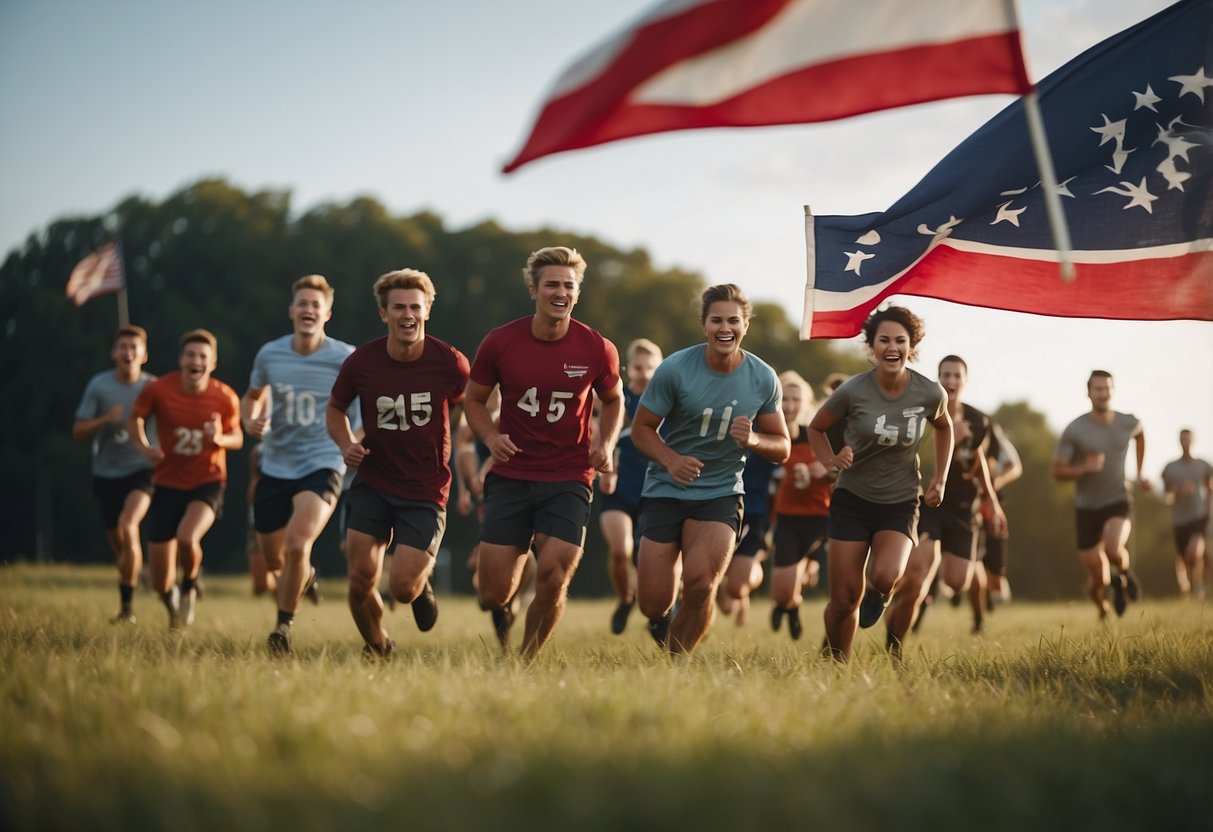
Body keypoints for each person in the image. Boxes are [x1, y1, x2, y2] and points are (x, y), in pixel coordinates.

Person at [465, 245, 623, 661]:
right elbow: (474, 401)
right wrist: (490, 438)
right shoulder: (500, 342)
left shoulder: (597, 347)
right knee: (491, 593)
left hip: (569, 475)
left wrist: (604, 443)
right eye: (551, 284)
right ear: (533, 290)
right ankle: (509, 588)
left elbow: (614, 399)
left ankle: (525, 662)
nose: (560, 291)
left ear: (577, 293)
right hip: (511, 475)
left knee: (556, 573)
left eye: (568, 285)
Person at [634, 284, 790, 656]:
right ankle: (661, 621)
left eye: (733, 320)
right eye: (716, 320)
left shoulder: (763, 377)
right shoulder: (675, 369)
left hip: (721, 492)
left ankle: (675, 666)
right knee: (653, 603)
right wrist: (671, 460)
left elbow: (781, 445)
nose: (725, 328)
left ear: (745, 325)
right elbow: (641, 430)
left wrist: (753, 441)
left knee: (702, 585)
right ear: (704, 325)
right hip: (665, 489)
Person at [326, 268, 470, 659]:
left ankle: (421, 586)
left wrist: (469, 435)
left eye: (415, 308)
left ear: (427, 312)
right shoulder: (362, 362)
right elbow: (335, 409)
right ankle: (379, 647)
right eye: (399, 308)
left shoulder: (450, 363)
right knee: (359, 579)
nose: (408, 315)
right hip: (373, 479)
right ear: (383, 313)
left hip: (425, 486)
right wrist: (345, 443)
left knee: (402, 587)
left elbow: (474, 400)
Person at [808, 305, 951, 662]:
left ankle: (879, 594)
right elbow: (816, 427)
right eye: (883, 340)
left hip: (900, 500)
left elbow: (944, 427)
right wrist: (829, 461)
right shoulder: (853, 390)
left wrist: (940, 478)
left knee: (886, 575)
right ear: (871, 347)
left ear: (911, 346)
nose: (891, 347)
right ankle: (836, 661)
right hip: (852, 499)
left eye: (899, 341)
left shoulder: (930, 393)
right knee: (843, 600)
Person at [242, 274, 356, 655]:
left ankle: (283, 629)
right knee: (276, 560)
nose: (308, 309)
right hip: (275, 464)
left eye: (315, 304)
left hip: (322, 462)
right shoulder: (270, 354)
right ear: (291, 311)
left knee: (296, 544)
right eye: (302, 303)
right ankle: (305, 578)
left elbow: (369, 408)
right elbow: (253, 397)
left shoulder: (345, 357)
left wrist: (353, 441)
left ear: (328, 313)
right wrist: (250, 419)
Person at [884, 356, 1006, 656]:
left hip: (963, 509)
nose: (950, 381)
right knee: (915, 578)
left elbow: (978, 464)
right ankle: (895, 638)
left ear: (965, 381)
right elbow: (916, 456)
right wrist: (951, 438)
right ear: (938, 379)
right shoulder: (924, 414)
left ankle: (927, 571)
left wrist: (991, 500)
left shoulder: (979, 421)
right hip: (928, 502)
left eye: (956, 376)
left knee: (957, 581)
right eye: (945, 375)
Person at [129, 329, 243, 629]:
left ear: (213, 362)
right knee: (157, 580)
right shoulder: (159, 389)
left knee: (187, 537)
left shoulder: (224, 395)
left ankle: (191, 584)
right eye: (191, 355)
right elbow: (136, 417)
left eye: (203, 356)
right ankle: (172, 601)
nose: (196, 361)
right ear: (181, 359)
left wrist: (219, 438)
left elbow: (238, 438)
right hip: (167, 482)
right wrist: (144, 447)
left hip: (207, 480)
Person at [72, 325, 156, 624]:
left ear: (144, 355)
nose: (128, 352)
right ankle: (141, 574)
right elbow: (78, 431)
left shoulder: (153, 388)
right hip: (106, 473)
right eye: (123, 347)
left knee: (128, 524)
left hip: (142, 470)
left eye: (134, 347)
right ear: (114, 353)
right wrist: (105, 420)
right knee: (119, 544)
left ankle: (127, 611)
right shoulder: (99, 386)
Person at [1053, 370, 1148, 620]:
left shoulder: (1127, 422)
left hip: (1118, 499)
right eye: (1098, 389)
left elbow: (1140, 435)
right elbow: (1058, 470)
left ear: (1113, 391)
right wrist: (1083, 467)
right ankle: (1103, 607)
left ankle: (1125, 576)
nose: (1103, 394)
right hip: (1086, 507)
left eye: (1107, 388)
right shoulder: (1075, 429)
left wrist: (1140, 471)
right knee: (1098, 578)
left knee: (1113, 548)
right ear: (1088, 392)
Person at [597, 338, 663, 635]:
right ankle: (625, 598)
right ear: (628, 368)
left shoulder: (667, 403)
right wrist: (606, 468)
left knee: (651, 564)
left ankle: (659, 613)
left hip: (656, 493)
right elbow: (602, 437)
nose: (645, 373)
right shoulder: (617, 399)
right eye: (638, 367)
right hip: (619, 490)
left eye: (651, 368)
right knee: (620, 550)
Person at [769, 371, 832, 642]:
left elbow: (839, 468)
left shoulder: (817, 435)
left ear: (806, 404)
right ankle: (790, 606)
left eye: (796, 399)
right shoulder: (772, 435)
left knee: (812, 570)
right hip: (788, 518)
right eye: (785, 399)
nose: (790, 406)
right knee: (782, 593)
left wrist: (823, 469)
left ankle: (809, 570)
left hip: (823, 519)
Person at [717, 449, 777, 626]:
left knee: (736, 589)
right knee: (727, 608)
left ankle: (753, 568)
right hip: (721, 511)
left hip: (753, 516)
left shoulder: (764, 444)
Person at [1161, 429, 1211, 601]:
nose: (1186, 443)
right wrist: (1174, 493)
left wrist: (1208, 508)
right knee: (1183, 558)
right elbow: (1166, 497)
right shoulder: (1170, 468)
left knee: (1195, 552)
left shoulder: (1204, 465)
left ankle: (1197, 585)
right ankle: (1186, 586)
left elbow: (1210, 489)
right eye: (1183, 439)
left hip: (1198, 516)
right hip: (1179, 519)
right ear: (1179, 442)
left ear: (1193, 441)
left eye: (1188, 439)